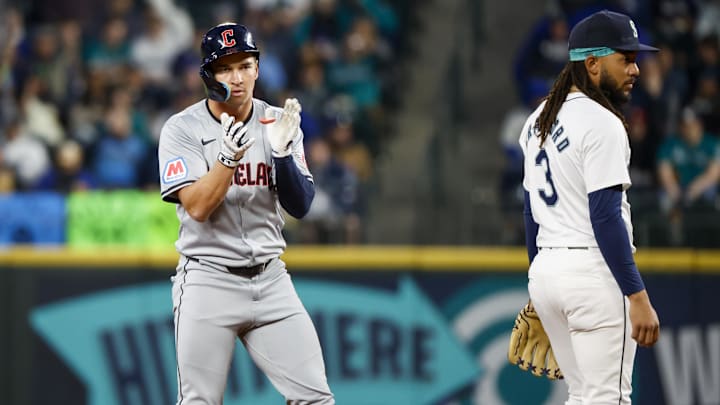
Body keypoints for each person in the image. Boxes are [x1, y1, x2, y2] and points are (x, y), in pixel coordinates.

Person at [157, 23, 334, 405]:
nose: (236, 78)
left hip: (270, 279)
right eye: (225, 67)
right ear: (209, 75)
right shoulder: (181, 129)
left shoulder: (278, 121)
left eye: (244, 65)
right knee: (200, 402)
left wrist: (283, 154)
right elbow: (198, 207)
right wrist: (226, 159)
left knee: (316, 399)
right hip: (208, 279)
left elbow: (300, 206)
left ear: (257, 67)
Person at [518, 10, 660, 404]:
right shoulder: (602, 123)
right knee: (606, 399)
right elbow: (605, 216)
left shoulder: (536, 121)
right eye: (625, 58)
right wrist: (638, 296)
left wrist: (537, 284)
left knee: (582, 397)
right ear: (592, 63)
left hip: (548, 272)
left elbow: (531, 214)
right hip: (593, 276)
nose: (635, 68)